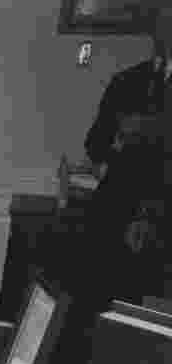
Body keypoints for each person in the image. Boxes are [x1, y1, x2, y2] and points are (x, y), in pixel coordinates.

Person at [82, 4, 169, 303]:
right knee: (98, 306)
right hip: (113, 213)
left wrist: (150, 132)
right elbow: (95, 144)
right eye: (163, 17)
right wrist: (120, 138)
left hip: (162, 224)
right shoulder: (127, 80)